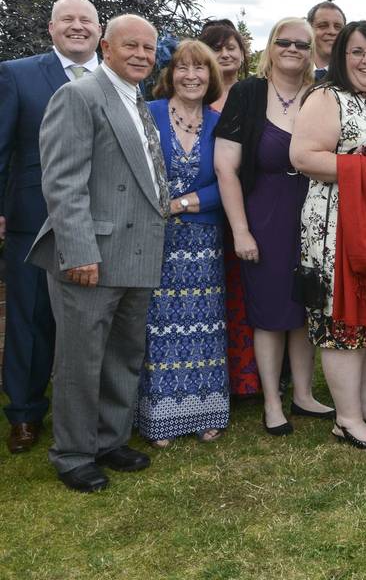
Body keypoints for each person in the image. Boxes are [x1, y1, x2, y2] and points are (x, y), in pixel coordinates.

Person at [28, 14, 166, 492]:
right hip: (92, 256)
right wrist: (78, 251)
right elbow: (62, 182)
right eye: (131, 46)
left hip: (137, 253)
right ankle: (72, 454)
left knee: (123, 355)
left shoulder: (136, 100)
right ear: (105, 47)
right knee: (80, 360)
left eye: (149, 49)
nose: (141, 56)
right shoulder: (79, 95)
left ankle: (109, 440)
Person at [214, 17, 334, 436]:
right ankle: (271, 401)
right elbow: (225, 168)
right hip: (263, 215)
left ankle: (303, 394)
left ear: (312, 51)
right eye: (284, 42)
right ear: (270, 45)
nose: (293, 49)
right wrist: (241, 230)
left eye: (303, 44)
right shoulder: (247, 93)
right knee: (268, 313)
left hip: (312, 216)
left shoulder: (321, 95)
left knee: (304, 306)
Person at [290, 20, 366, 450]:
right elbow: (302, 156)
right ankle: (347, 418)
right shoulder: (325, 96)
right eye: (356, 51)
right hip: (337, 226)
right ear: (341, 56)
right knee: (345, 321)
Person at [0, 0, 101, 454]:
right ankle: (23, 413)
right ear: (51, 28)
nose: (78, 27)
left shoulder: (120, 77)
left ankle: (89, 411)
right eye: (68, 20)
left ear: (100, 30)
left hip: (103, 222)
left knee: (91, 322)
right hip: (34, 218)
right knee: (31, 317)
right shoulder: (17, 74)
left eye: (87, 20)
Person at [138, 40, 228, 447]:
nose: (191, 76)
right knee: (159, 327)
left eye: (200, 69)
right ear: (169, 74)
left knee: (204, 327)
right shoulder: (149, 114)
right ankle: (161, 417)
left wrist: (183, 203)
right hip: (155, 237)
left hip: (204, 238)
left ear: (211, 77)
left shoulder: (218, 121)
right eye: (182, 68)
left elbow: (229, 181)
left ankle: (205, 411)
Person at [199, 20, 259, 396]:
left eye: (232, 46)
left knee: (243, 293)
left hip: (244, 202)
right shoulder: (197, 94)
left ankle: (247, 379)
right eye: (217, 47)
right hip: (204, 206)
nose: (225, 53)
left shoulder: (254, 95)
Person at [198, 21, 248, 113]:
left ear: (242, 54)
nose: (225, 55)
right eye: (216, 49)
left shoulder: (255, 93)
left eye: (231, 48)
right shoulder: (195, 94)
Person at [306, 1, 345, 81]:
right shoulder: (293, 72)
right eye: (323, 26)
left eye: (338, 27)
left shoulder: (354, 77)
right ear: (309, 29)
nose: (332, 32)